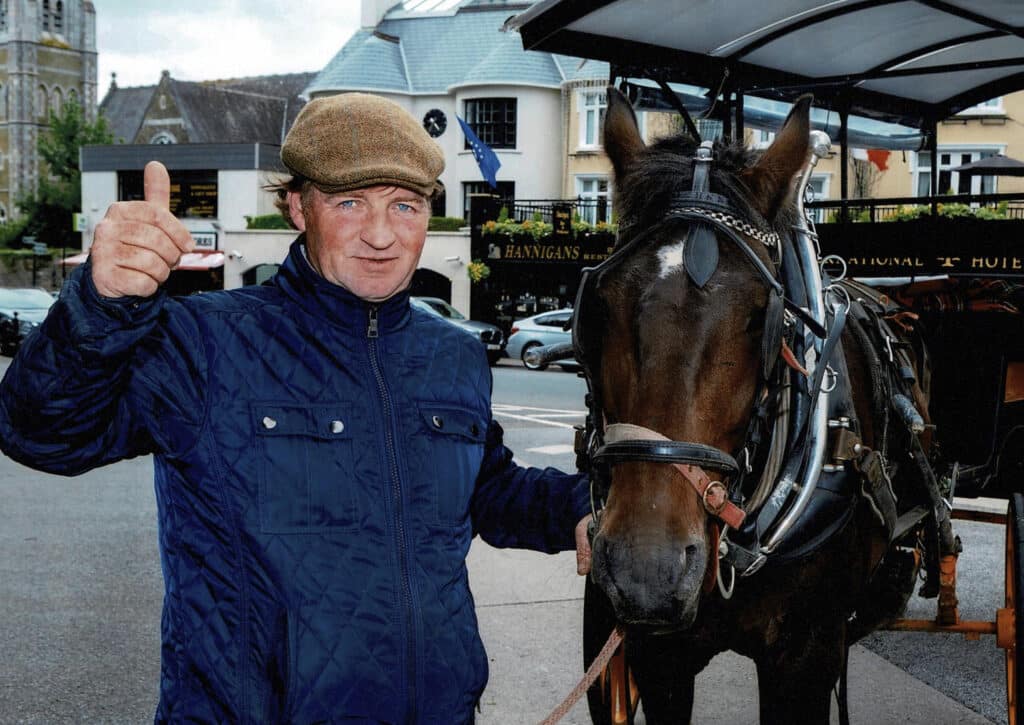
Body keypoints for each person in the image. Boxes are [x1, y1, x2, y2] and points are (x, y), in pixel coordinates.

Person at [0, 92, 591, 724]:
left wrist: (583, 508)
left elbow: (486, 489)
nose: (381, 234)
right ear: (298, 208)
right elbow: (41, 432)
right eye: (348, 203)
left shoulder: (454, 354)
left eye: (405, 205)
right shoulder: (204, 340)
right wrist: (102, 303)